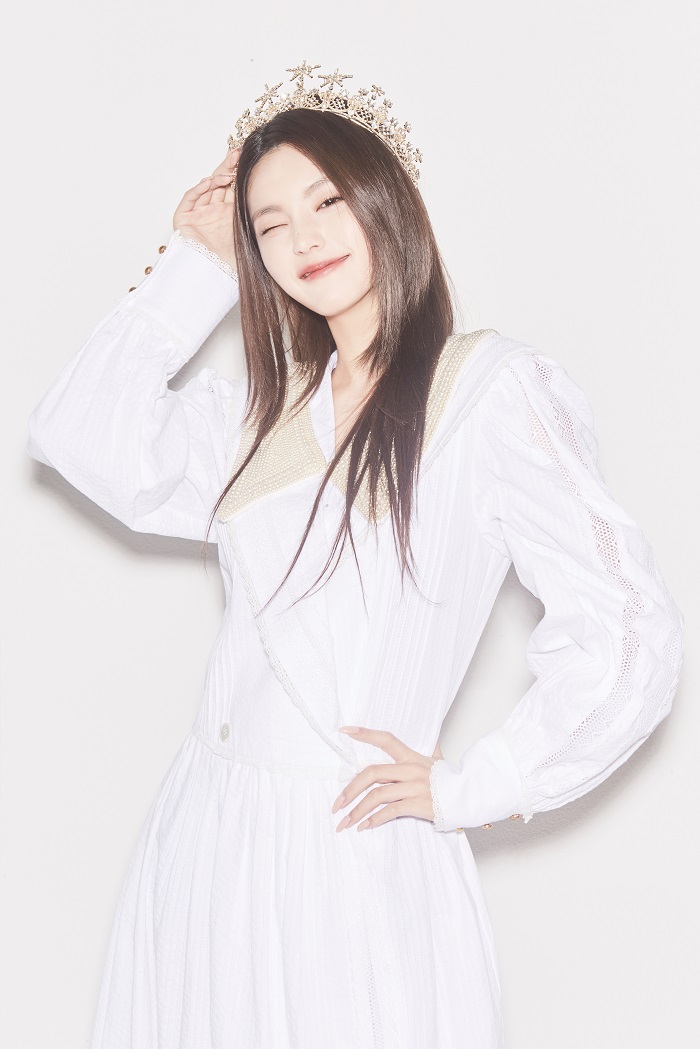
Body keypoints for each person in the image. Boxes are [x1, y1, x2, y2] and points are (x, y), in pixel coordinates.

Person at [26, 62, 685, 1049]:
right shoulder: (264, 411)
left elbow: (629, 626)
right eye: (269, 223)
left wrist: (480, 781)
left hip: (351, 847)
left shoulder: (486, 392)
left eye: (327, 200)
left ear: (387, 199)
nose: (304, 238)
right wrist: (194, 265)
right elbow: (78, 434)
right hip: (206, 834)